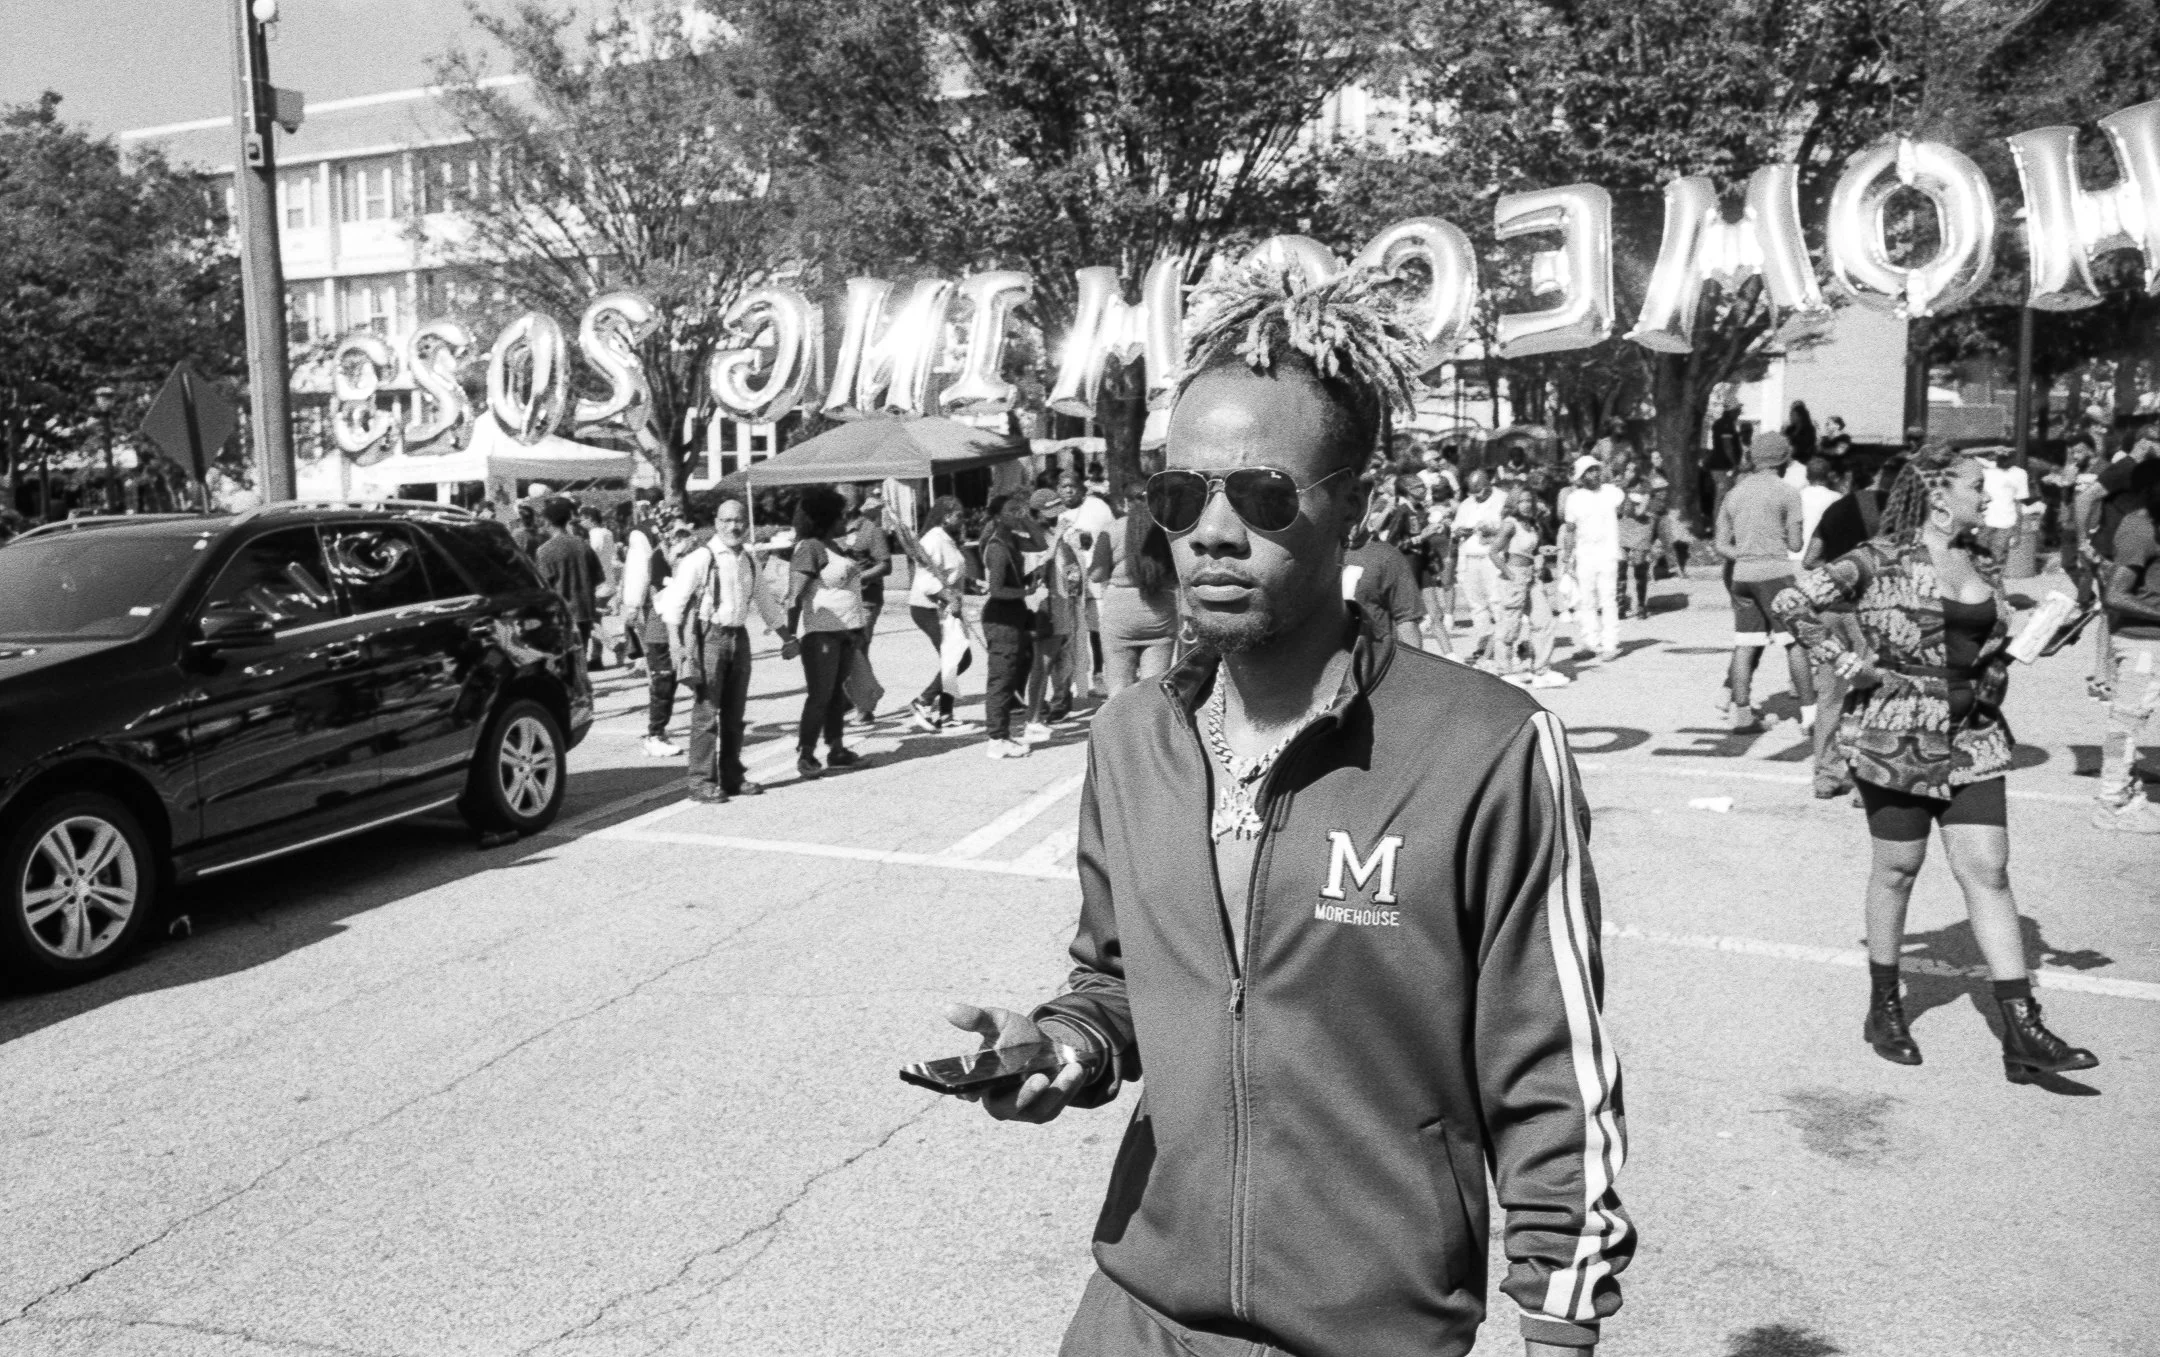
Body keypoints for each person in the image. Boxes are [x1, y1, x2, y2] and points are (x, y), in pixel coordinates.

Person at [944, 261, 1630, 1357]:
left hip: (1369, 1330)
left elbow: (1551, 1060)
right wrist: (1063, 1047)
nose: (1211, 531)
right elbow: (1118, 979)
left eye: (1262, 497)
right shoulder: (1131, 739)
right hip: (1137, 1310)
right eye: (1179, 497)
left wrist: (1558, 1319)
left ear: (1356, 505)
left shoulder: (1484, 745)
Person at [1774, 446, 2098, 1083]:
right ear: (1940, 496)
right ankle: (1884, 1005)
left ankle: (2022, 1028)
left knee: (1990, 869)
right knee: (1898, 869)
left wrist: (2037, 637)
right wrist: (1845, 661)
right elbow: (1793, 604)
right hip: (1898, 732)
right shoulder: (1877, 559)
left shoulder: (1980, 559)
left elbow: (1984, 640)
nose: (1988, 497)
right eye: (1978, 488)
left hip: (1973, 734)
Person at [659, 497, 795, 803]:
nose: (734, 526)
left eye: (739, 521)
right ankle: (700, 782)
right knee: (707, 713)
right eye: (727, 521)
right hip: (711, 637)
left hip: (738, 638)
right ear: (717, 523)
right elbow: (674, 604)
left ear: (746, 525)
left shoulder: (747, 560)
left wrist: (787, 637)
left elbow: (765, 601)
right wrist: (677, 645)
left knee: (735, 715)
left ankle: (732, 776)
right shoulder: (701, 558)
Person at [1800, 458, 1901, 798]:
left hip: (1830, 610)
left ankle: (1826, 777)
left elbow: (1809, 559)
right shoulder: (1900, 512)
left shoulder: (1837, 508)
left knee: (1830, 697)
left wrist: (1838, 572)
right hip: (1871, 612)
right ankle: (1865, 782)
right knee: (1872, 694)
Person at [1715, 432, 1816, 732]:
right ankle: (1809, 715)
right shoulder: (1788, 492)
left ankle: (1742, 714)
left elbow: (1720, 543)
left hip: (1742, 575)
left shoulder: (1735, 493)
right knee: (1794, 642)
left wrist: (1746, 554)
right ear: (1785, 459)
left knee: (1745, 644)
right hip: (1776, 574)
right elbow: (1796, 545)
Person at [2093, 462, 2160, 833]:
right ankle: (2111, 802)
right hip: (2141, 643)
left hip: (2151, 640)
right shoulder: (2140, 528)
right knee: (2126, 723)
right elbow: (2115, 594)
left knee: (2134, 721)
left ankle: (2129, 793)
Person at [784, 486, 866, 778]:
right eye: (842, 515)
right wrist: (790, 635)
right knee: (820, 696)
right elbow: (794, 595)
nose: (847, 520)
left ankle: (837, 749)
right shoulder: (810, 548)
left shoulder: (835, 546)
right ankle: (805, 754)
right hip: (821, 635)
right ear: (828, 517)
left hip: (845, 633)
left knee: (835, 697)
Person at [1092, 486, 1178, 695]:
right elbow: (1178, 576)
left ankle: (1119, 728)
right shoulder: (1170, 530)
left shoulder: (1111, 530)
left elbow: (1097, 575)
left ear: (1126, 503)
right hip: (1160, 613)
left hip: (1120, 615)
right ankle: (1149, 728)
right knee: (1153, 691)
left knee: (1119, 689)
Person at [978, 492, 1044, 758]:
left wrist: (1025, 518)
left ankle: (1003, 733)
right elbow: (996, 590)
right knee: (1001, 676)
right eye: (1010, 511)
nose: (1016, 514)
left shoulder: (1012, 539)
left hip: (1013, 613)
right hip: (1002, 615)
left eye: (1018, 509)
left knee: (1015, 669)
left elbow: (1039, 543)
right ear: (996, 516)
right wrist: (1025, 593)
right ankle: (997, 738)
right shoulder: (997, 547)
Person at [907, 495, 974, 731]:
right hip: (928, 608)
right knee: (958, 657)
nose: (963, 520)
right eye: (959, 516)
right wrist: (948, 597)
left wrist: (973, 583)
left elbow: (950, 571)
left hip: (946, 607)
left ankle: (946, 714)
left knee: (953, 658)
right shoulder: (933, 540)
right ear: (946, 517)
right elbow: (927, 582)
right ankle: (923, 701)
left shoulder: (947, 538)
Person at [1023, 487, 1085, 742]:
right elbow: (1036, 571)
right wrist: (1059, 537)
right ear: (1036, 513)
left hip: (1063, 605)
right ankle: (1033, 719)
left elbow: (1068, 567)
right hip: (1044, 607)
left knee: (1058, 664)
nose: (1056, 518)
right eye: (1049, 514)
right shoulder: (1031, 537)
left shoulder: (1053, 533)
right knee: (1042, 665)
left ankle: (1043, 712)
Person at [1495, 486, 1570, 688]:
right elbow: (1494, 552)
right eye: (1522, 501)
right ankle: (1504, 671)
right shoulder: (1509, 525)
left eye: (1530, 501)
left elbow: (1534, 549)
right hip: (1515, 576)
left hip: (1532, 577)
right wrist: (1510, 575)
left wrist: (1541, 557)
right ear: (1514, 503)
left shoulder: (1533, 525)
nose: (1527, 505)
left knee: (1544, 621)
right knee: (1510, 625)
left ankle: (1541, 670)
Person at [1058, 470, 1118, 698]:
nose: (1068, 490)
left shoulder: (1096, 508)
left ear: (1082, 488)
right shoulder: (1058, 513)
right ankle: (1079, 678)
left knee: (1100, 631)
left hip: (1096, 582)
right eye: (1063, 486)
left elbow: (1099, 540)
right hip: (1070, 583)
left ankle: (1103, 675)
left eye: (1072, 485)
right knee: (1074, 631)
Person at [1343, 484, 1425, 652]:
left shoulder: (1387, 557)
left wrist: (1411, 673)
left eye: (1358, 508)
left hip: (1371, 664)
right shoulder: (1315, 553)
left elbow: (1407, 622)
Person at [1560, 456, 1623, 663]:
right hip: (1584, 556)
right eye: (1589, 471)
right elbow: (1570, 530)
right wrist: (1567, 557)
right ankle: (1590, 643)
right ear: (1581, 476)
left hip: (1608, 554)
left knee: (1608, 599)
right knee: (1585, 601)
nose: (1594, 474)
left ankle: (1610, 644)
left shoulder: (1611, 492)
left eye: (1596, 469)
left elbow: (1625, 509)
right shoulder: (1574, 498)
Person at [841, 486, 892, 723]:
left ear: (851, 505)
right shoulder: (836, 529)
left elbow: (885, 565)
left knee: (858, 649)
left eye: (839, 500)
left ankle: (865, 705)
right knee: (844, 651)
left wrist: (859, 578)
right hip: (841, 600)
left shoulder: (871, 530)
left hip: (866, 601)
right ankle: (850, 700)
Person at [1451, 467, 1509, 665]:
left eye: (1480, 491)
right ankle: (1485, 642)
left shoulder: (1503, 499)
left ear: (1489, 484)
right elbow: (1456, 527)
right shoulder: (1467, 504)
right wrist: (1459, 531)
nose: (1477, 495)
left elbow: (1509, 527)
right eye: (1472, 491)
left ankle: (1504, 643)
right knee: (1476, 605)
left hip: (1493, 558)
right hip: (1469, 557)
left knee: (1497, 601)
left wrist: (1490, 528)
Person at [534, 498, 601, 658]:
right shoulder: (583, 545)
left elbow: (543, 587)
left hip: (561, 614)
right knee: (581, 655)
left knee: (564, 659)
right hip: (585, 610)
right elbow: (597, 578)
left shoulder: (544, 551)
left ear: (548, 521)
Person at [1615, 460, 1662, 620]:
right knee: (1620, 564)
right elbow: (1616, 509)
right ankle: (1620, 605)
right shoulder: (1619, 485)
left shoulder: (1645, 486)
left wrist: (1628, 502)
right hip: (1624, 527)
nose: (1629, 473)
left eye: (1633, 470)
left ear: (1638, 472)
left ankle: (1641, 605)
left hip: (1641, 528)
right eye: (1627, 470)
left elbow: (1641, 511)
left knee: (1639, 565)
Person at [579, 504, 620, 670]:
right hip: (608, 581)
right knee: (596, 621)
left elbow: (591, 556)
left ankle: (615, 644)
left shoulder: (595, 535)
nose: (581, 522)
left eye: (582, 519)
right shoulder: (607, 533)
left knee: (591, 622)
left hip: (598, 584)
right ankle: (596, 658)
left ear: (589, 519)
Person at [1979, 444, 2031, 561]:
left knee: (1997, 560)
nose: (2004, 459)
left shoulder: (2020, 474)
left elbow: (2019, 503)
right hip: (1984, 523)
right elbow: (1962, 453)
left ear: (2013, 457)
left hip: (2006, 524)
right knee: (1979, 560)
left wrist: (2017, 532)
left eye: (2007, 456)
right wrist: (1990, 448)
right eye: (2000, 456)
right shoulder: (1987, 469)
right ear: (1995, 456)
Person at [1784, 399, 1818, 466]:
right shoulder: (1789, 428)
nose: (1790, 416)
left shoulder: (1809, 429)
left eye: (1793, 413)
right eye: (1791, 412)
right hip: (1788, 460)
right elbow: (1783, 442)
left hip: (1803, 462)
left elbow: (1807, 448)